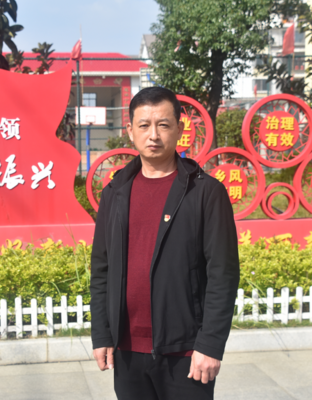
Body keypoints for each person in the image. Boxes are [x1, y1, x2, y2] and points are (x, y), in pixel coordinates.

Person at [90, 86, 240, 400]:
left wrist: (210, 345)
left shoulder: (205, 192)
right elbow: (101, 269)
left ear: (179, 129)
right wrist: (102, 334)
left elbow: (222, 274)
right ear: (130, 131)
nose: (154, 135)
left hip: (186, 352)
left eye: (163, 125)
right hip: (127, 350)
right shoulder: (115, 193)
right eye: (144, 125)